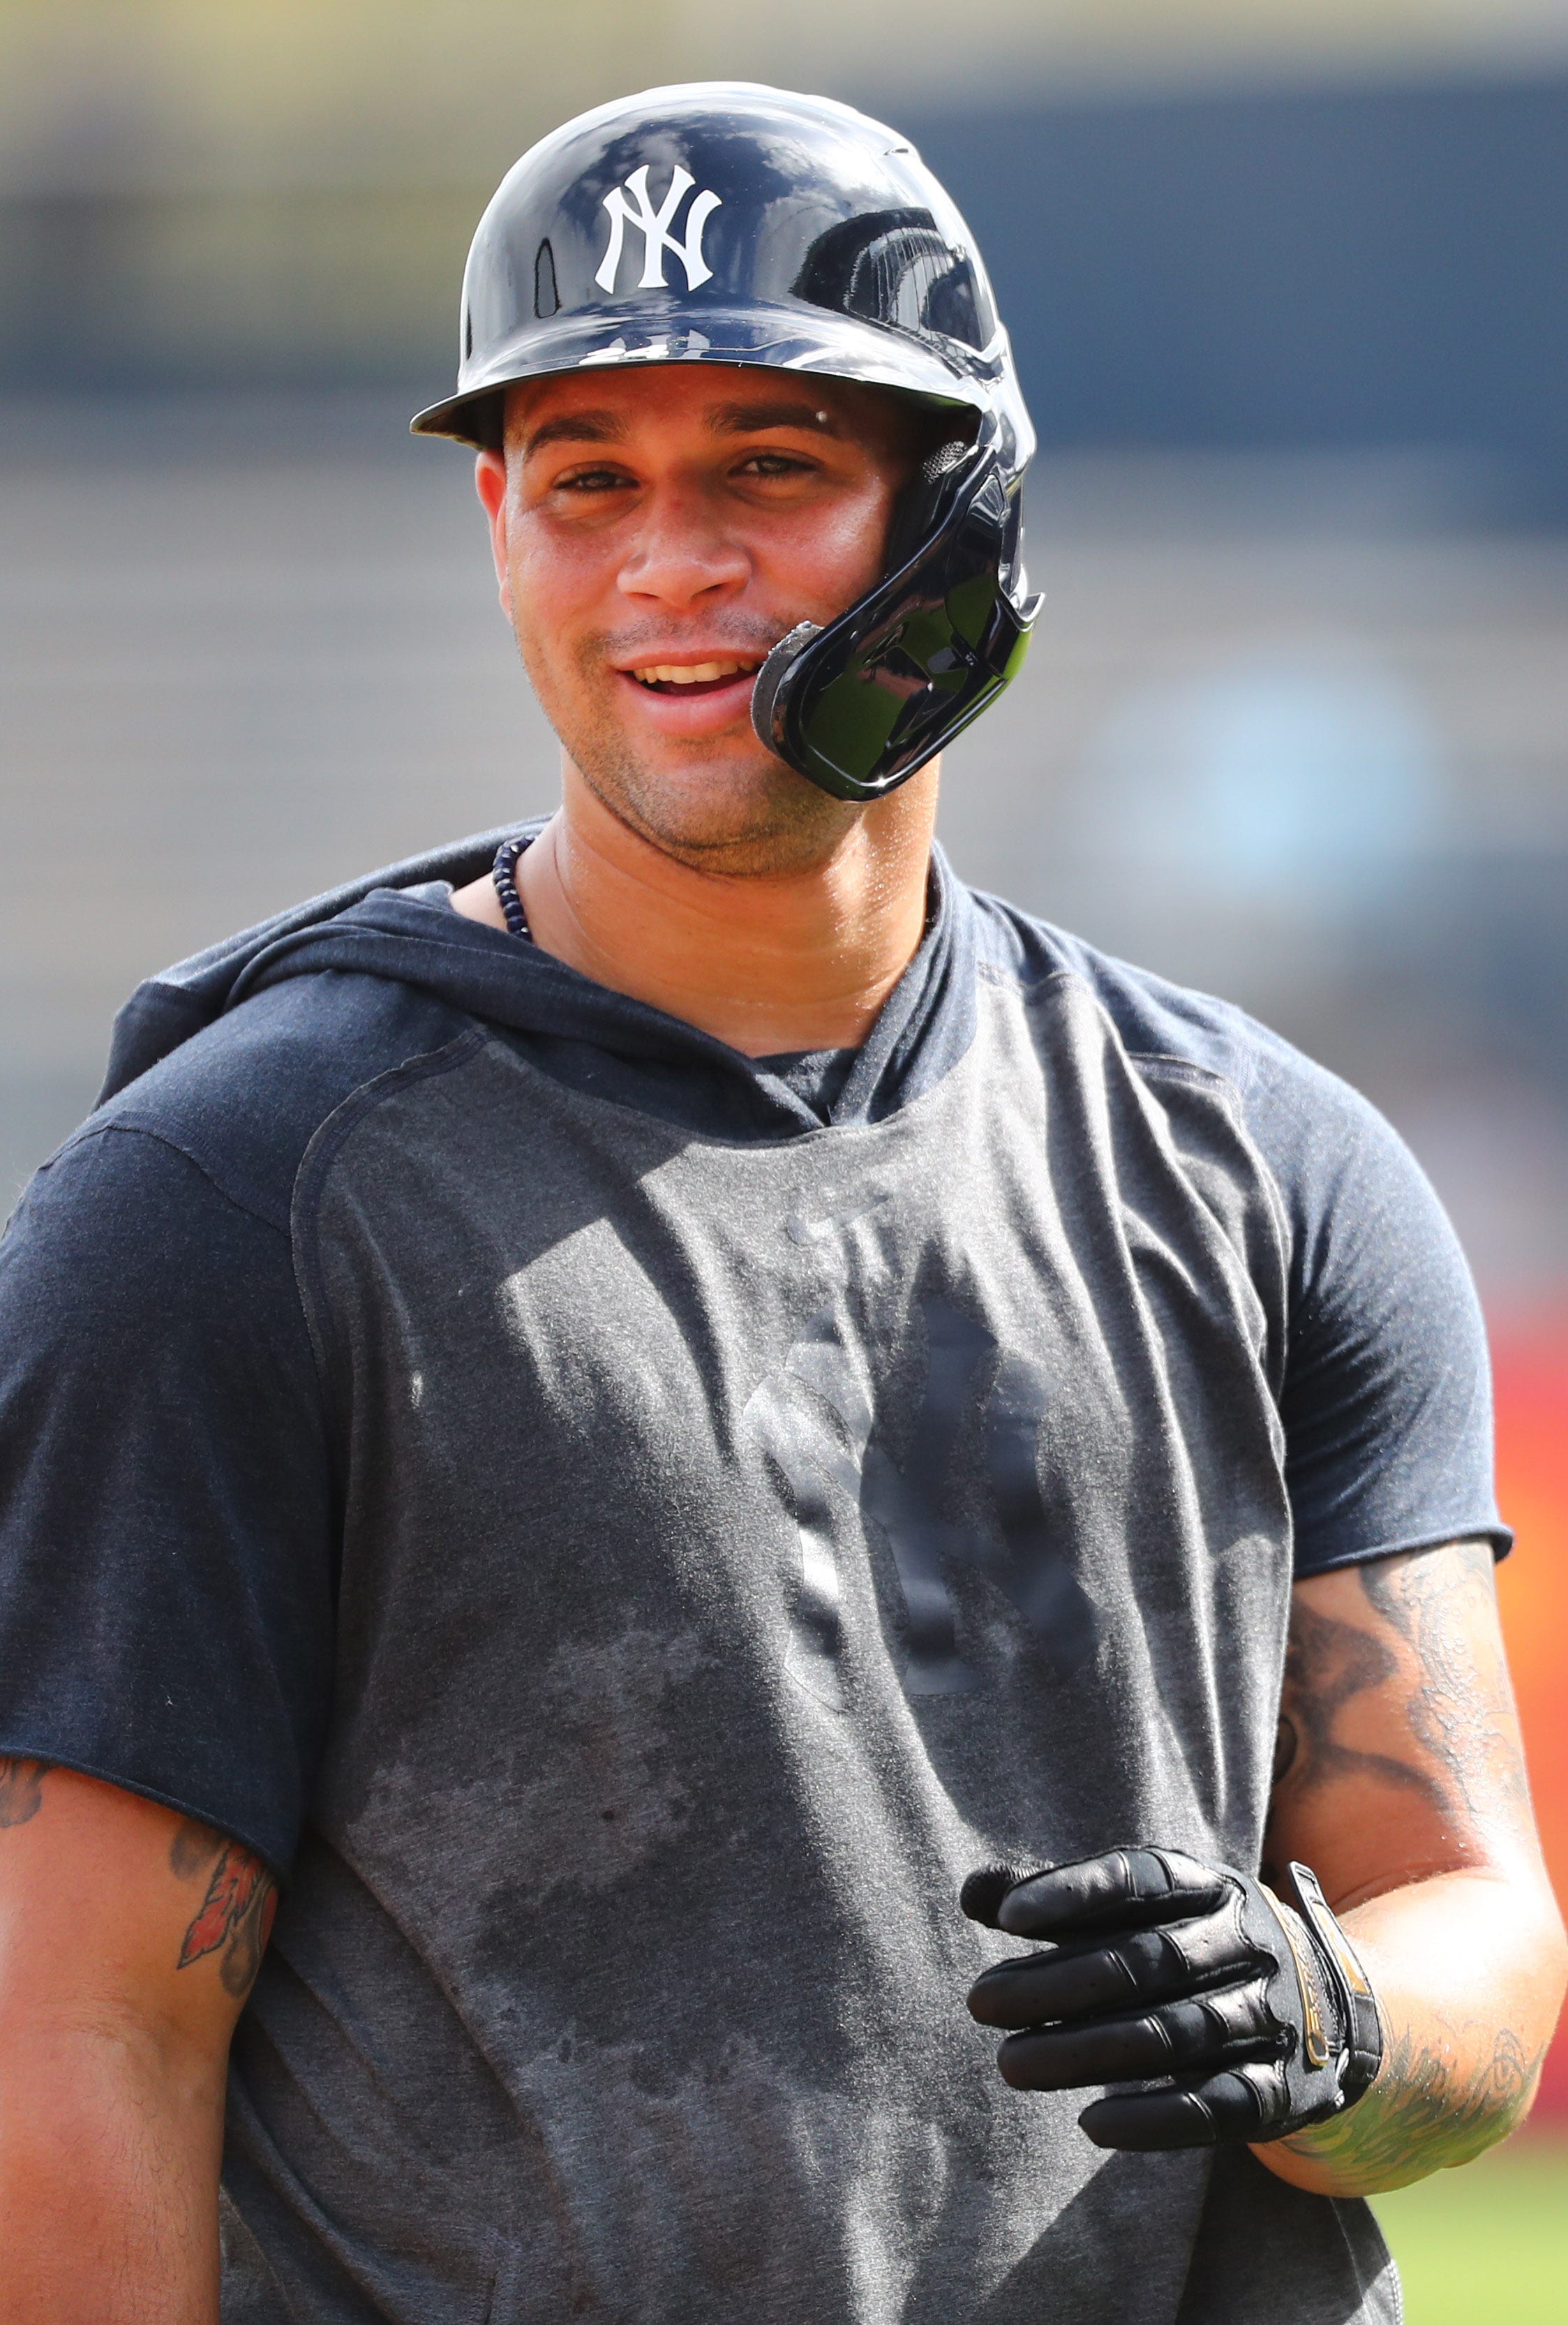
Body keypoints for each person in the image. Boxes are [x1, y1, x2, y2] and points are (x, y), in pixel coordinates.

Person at [0, 80, 1561, 2325]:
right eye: (587, 481)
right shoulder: (223, 1203)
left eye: (771, 471)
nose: (667, 564)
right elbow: (78, 2036)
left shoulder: (1272, 1168)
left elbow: (1476, 1940)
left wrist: (1327, 2021)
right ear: (498, 524)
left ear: (966, 525)